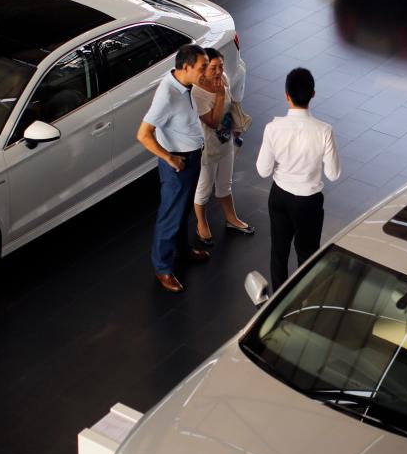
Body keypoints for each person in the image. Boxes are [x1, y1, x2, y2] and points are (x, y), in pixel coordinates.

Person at [256, 68, 341, 291]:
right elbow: (333, 174)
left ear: (287, 95)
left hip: (279, 197)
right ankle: (302, 302)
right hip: (308, 202)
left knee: (279, 253)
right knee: (307, 255)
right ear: (313, 94)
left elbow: (263, 171)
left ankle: (277, 302)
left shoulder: (273, 128)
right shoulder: (325, 130)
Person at [137, 44, 211, 293]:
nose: (205, 71)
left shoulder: (185, 85)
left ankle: (182, 250)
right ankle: (163, 268)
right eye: (202, 67)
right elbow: (143, 134)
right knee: (170, 216)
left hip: (191, 158)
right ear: (186, 67)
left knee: (182, 211)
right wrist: (169, 158)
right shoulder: (167, 95)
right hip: (179, 164)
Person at [191, 48, 254, 246]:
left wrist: (235, 126)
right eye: (213, 68)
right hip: (207, 148)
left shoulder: (223, 78)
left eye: (221, 66)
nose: (219, 71)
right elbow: (211, 121)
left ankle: (231, 218)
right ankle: (201, 224)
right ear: (203, 69)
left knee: (225, 183)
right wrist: (218, 96)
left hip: (226, 141)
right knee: (204, 187)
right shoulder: (197, 93)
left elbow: (230, 105)